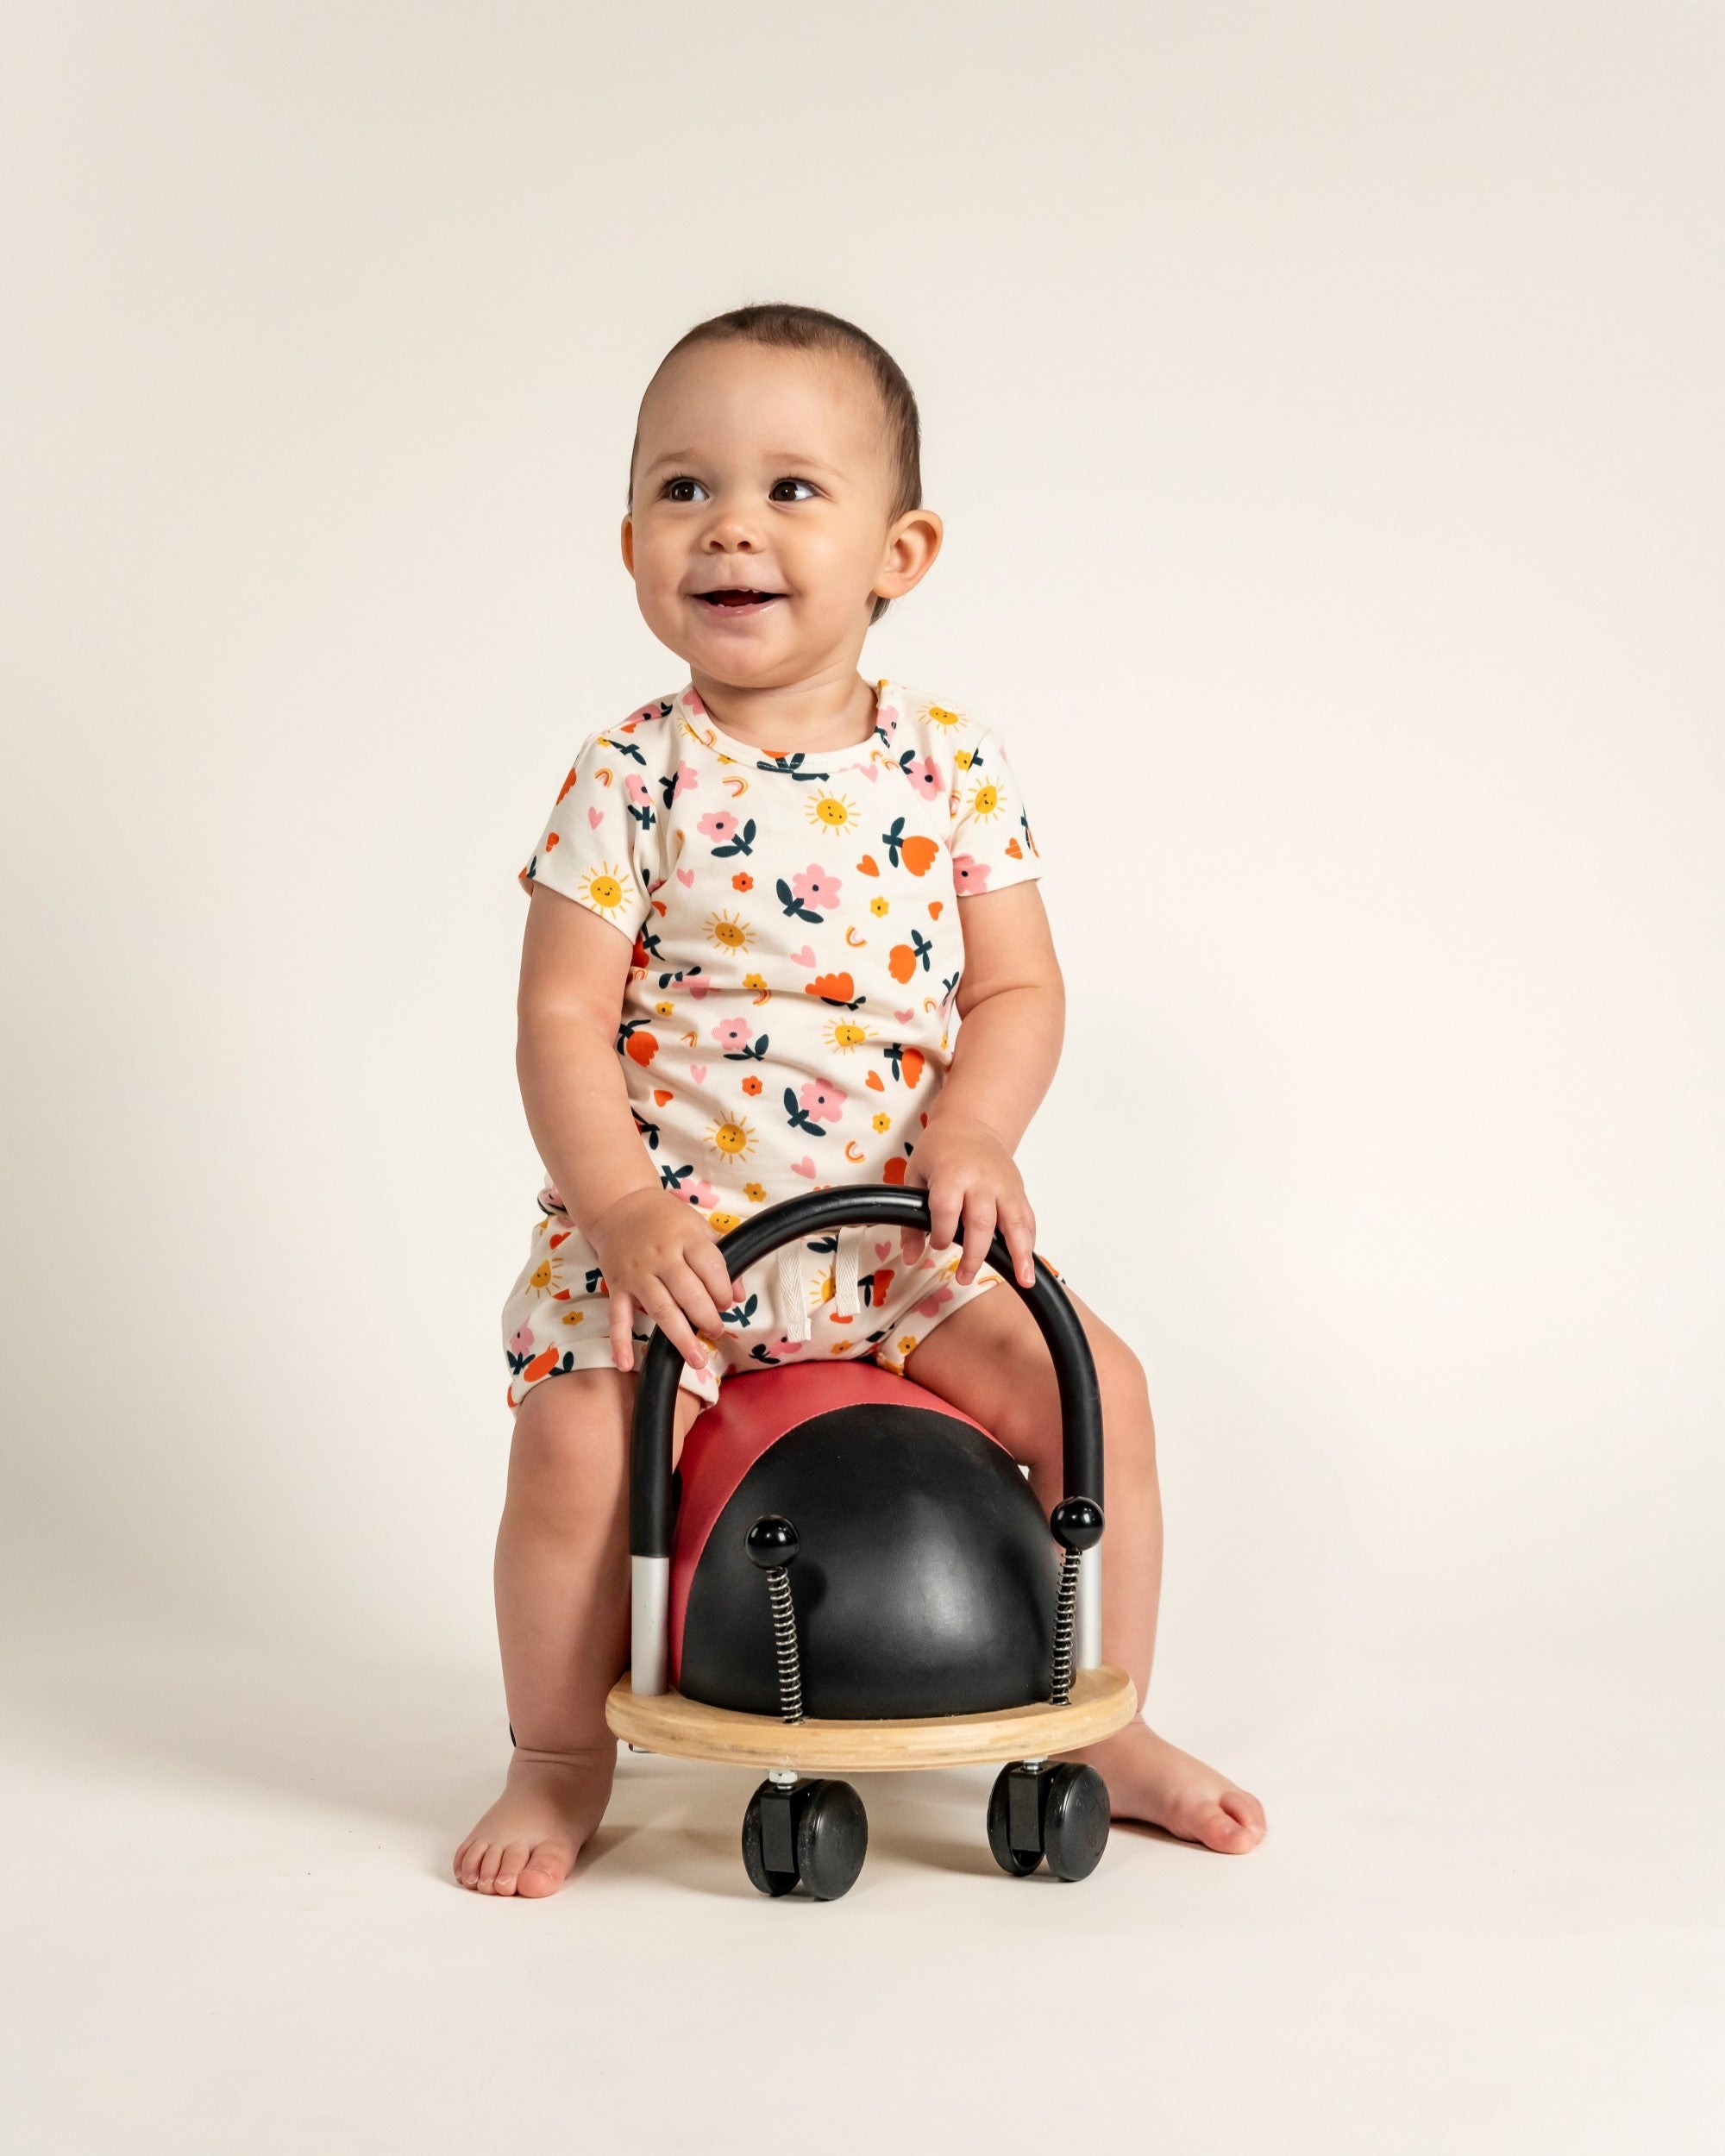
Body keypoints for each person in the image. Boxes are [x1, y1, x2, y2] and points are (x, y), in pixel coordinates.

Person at [455, 304, 1267, 1896]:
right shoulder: (633, 776)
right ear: (630, 543)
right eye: (685, 490)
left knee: (1100, 1387)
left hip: (899, 1247)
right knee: (567, 1453)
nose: (732, 527)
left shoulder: (951, 767)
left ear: (904, 549)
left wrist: (974, 1133)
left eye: (792, 491)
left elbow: (1020, 990)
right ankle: (557, 1753)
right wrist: (622, 1209)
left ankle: (1102, 1714)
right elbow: (558, 1014)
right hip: (678, 1266)